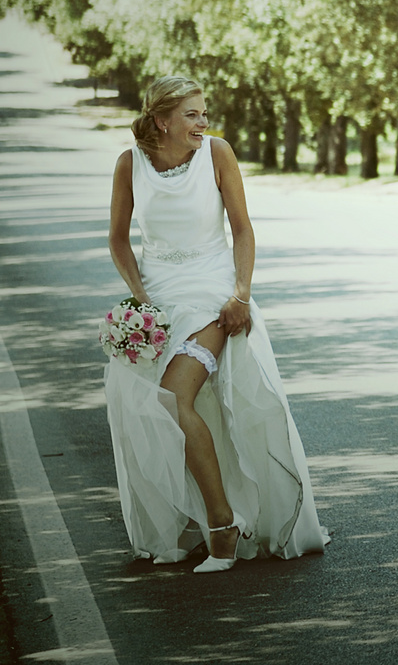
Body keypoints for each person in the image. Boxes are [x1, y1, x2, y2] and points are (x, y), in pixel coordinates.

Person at [106, 75, 328, 570]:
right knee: (158, 404)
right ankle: (195, 519)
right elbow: (118, 239)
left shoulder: (217, 154)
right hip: (160, 299)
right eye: (192, 114)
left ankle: (223, 525)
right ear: (162, 119)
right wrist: (141, 302)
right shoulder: (129, 164)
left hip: (212, 296)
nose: (203, 123)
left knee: (173, 396)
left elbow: (243, 228)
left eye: (205, 113)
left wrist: (240, 294)